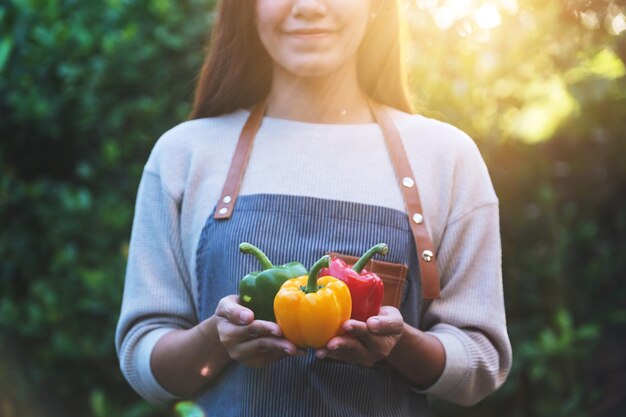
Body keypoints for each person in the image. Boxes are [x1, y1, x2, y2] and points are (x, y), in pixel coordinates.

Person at [115, 0, 512, 415]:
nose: (307, 7)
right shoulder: (184, 154)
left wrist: (399, 345)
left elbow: (481, 363)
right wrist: (217, 339)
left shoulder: (445, 157)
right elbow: (142, 357)